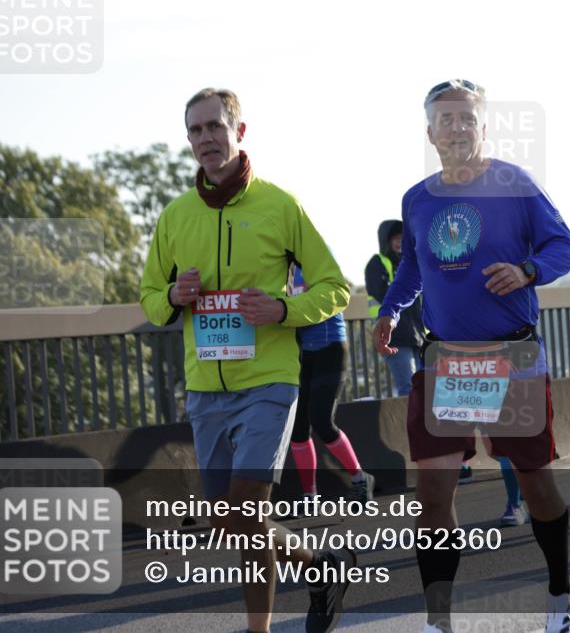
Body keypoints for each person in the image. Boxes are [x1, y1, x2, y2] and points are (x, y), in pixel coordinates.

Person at [140, 88, 354, 633]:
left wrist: (283, 308)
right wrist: (172, 297)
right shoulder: (175, 217)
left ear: (239, 131)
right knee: (233, 522)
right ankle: (321, 567)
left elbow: (335, 288)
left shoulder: (281, 206)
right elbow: (147, 295)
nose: (205, 138)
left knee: (246, 510)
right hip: (205, 387)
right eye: (195, 130)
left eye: (215, 126)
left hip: (269, 382)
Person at [372, 79, 570, 633]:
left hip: (511, 354)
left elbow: (565, 246)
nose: (457, 127)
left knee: (536, 486)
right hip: (445, 361)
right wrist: (391, 310)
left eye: (467, 118)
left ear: (482, 126)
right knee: (433, 494)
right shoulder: (417, 199)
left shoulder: (513, 184)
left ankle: (562, 594)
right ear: (429, 131)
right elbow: (413, 269)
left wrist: (528, 270)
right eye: (446, 119)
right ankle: (438, 622)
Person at [290, 264, 375, 505]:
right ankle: (309, 495)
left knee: (322, 421)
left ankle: (360, 478)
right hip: (300, 354)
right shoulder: (276, 266)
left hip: (330, 349)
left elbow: (338, 292)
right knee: (298, 429)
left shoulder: (315, 255)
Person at [366, 220, 425, 396]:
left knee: (424, 389)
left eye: (402, 238)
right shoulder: (377, 263)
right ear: (386, 241)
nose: (399, 242)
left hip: (418, 336)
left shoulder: (412, 263)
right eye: (395, 238)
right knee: (409, 390)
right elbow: (380, 292)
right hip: (395, 337)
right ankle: (407, 424)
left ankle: (423, 424)